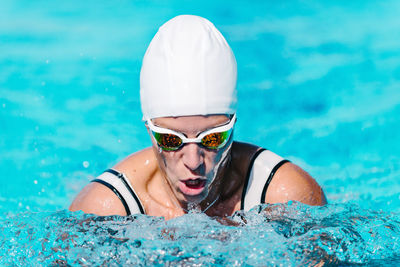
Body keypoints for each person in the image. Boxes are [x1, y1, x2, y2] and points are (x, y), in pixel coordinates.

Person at [69, 15, 326, 220]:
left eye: (212, 138)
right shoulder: (104, 209)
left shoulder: (285, 194)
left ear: (233, 127)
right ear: (149, 129)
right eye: (171, 140)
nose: (193, 162)